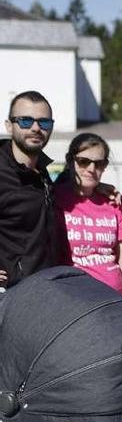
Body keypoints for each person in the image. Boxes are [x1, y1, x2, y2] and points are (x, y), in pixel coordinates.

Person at [54, 133, 122, 301]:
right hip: (74, 301)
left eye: (99, 163)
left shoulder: (112, 203)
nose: (91, 169)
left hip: (114, 300)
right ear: (71, 161)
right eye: (83, 161)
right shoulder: (54, 199)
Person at [0, 91, 57, 288]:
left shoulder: (43, 173)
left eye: (44, 122)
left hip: (46, 291)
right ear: (9, 126)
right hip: (9, 297)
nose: (36, 128)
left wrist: (99, 187)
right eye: (25, 121)